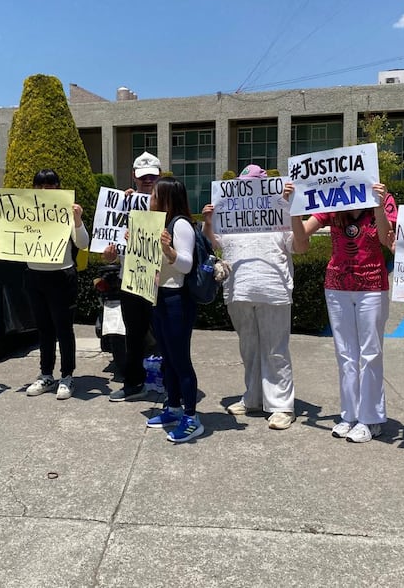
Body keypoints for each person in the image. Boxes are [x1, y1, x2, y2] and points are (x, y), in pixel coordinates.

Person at [201, 165, 309, 430]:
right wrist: (207, 221)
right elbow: (213, 243)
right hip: (238, 289)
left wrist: (291, 207)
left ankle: (282, 405)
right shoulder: (229, 213)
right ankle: (253, 398)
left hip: (274, 290)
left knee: (276, 350)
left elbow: (301, 246)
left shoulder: (282, 210)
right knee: (249, 348)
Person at [298, 182, 397, 443]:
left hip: (372, 285)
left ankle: (370, 418)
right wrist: (294, 210)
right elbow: (301, 237)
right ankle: (350, 415)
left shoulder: (382, 198)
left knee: (370, 352)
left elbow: (389, 240)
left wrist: (378, 206)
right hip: (338, 285)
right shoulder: (334, 202)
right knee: (345, 354)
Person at [144, 178, 204, 442]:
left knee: (180, 359)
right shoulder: (158, 223)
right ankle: (173, 407)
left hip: (177, 299)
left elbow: (186, 265)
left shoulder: (180, 225)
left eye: (154, 194)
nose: (150, 199)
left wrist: (168, 251)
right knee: (167, 357)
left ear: (166, 198)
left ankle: (191, 417)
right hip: (160, 296)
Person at [23, 169, 90, 400]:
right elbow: (9, 237)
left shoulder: (66, 212)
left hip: (61, 276)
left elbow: (82, 242)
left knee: (63, 329)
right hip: (34, 275)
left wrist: (78, 219)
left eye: (49, 185)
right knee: (44, 329)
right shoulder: (26, 211)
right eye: (40, 186)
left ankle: (67, 376)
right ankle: (46, 374)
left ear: (58, 188)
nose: (44, 190)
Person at [106, 151, 161, 402]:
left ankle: (168, 381)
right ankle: (134, 383)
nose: (147, 180)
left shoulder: (168, 203)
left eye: (152, 176)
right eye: (143, 177)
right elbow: (110, 253)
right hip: (130, 279)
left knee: (165, 334)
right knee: (134, 335)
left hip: (162, 281)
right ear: (134, 177)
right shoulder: (121, 206)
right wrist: (109, 252)